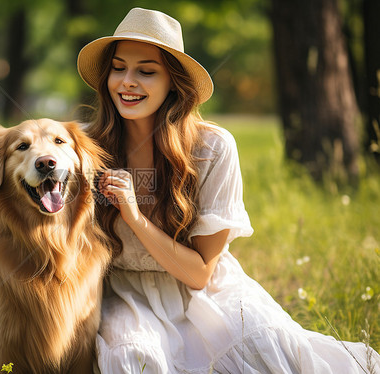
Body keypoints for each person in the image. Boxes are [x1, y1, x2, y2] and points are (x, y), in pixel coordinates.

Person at [76, 7, 380, 374]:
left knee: (265, 350)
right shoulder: (85, 145)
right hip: (123, 294)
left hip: (204, 294)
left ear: (173, 81)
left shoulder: (212, 148)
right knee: (132, 359)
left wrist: (135, 217)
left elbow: (200, 273)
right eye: (119, 67)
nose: (127, 82)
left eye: (146, 71)